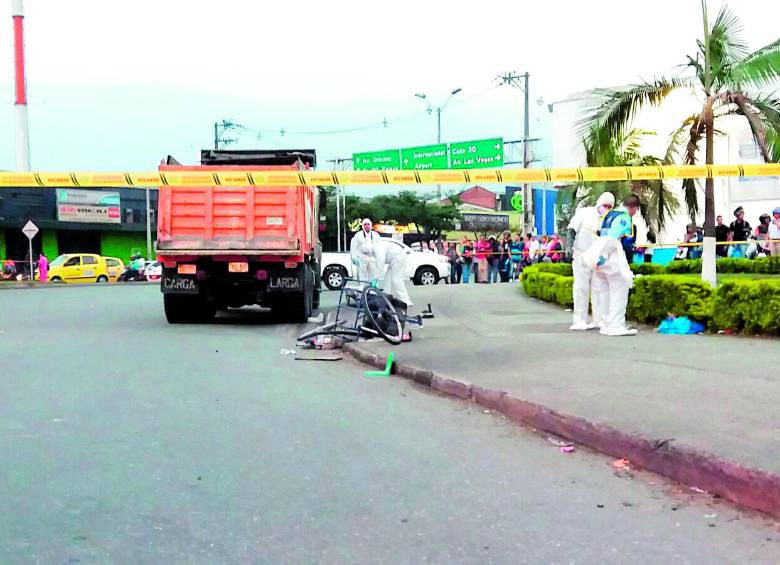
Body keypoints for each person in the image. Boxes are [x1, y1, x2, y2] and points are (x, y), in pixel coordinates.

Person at [585, 194, 641, 337]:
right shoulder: (624, 218)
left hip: (599, 258)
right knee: (619, 291)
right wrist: (603, 256)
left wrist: (598, 258)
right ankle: (616, 325)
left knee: (604, 293)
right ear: (634, 208)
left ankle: (605, 324)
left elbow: (598, 233)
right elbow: (612, 238)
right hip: (612, 258)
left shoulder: (608, 215)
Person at [567, 192, 615, 330]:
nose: (606, 208)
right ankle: (579, 320)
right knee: (581, 287)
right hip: (581, 255)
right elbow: (572, 229)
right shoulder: (585, 213)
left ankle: (599, 320)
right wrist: (569, 246)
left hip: (597, 259)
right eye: (605, 205)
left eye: (609, 206)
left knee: (599, 289)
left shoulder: (609, 220)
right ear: (599, 203)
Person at [373, 236, 413, 307]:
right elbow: (378, 265)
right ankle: (386, 298)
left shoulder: (377, 249)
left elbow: (380, 265)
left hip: (399, 258)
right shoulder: (377, 246)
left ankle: (406, 300)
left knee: (397, 280)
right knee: (387, 278)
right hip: (395, 259)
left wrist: (375, 279)